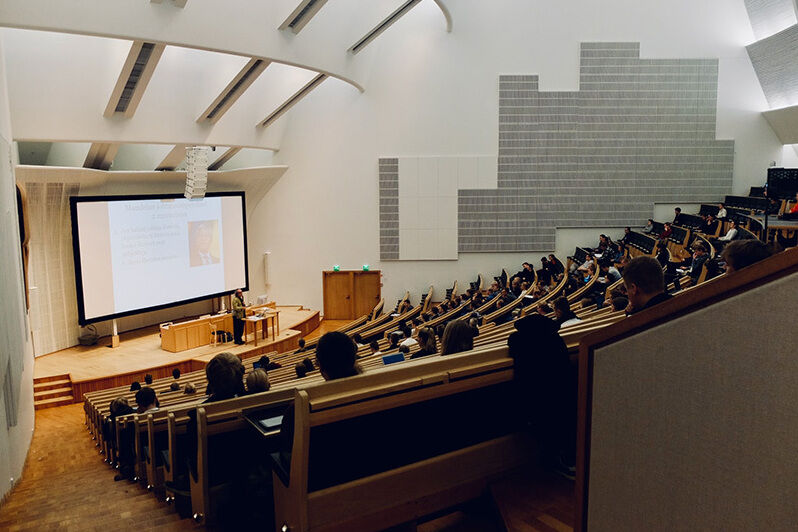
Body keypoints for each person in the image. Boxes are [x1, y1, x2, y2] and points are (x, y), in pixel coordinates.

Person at [507, 315, 576, 477]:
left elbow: (513, 341)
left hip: (535, 399)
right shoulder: (556, 342)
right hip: (561, 394)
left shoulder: (521, 343)